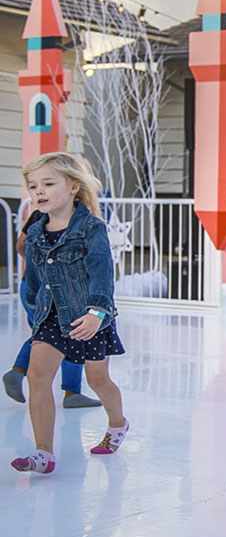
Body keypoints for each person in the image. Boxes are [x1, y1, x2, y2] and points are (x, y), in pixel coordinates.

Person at [11, 153, 127, 475]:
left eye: (48, 183)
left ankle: (117, 424)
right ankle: (43, 452)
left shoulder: (91, 228)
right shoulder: (35, 231)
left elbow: (102, 273)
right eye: (33, 186)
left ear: (74, 186)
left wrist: (97, 313)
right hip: (51, 318)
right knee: (37, 376)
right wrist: (35, 311)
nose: (39, 192)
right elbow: (33, 278)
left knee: (97, 379)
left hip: (88, 315)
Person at [3, 207, 102, 409]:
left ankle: (18, 370)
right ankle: (72, 391)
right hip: (55, 290)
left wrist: (39, 264)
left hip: (32, 286)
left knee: (44, 333)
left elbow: (21, 245)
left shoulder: (40, 217)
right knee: (71, 335)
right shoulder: (81, 221)